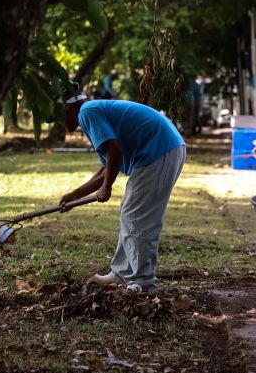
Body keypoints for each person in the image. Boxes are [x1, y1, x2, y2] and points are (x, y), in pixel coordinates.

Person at [57, 80, 186, 294]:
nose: (59, 123)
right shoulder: (93, 110)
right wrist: (75, 195)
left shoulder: (87, 112)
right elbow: (106, 168)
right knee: (131, 214)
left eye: (57, 117)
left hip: (159, 150)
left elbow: (114, 152)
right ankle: (122, 273)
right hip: (164, 148)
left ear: (67, 109)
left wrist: (107, 188)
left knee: (138, 218)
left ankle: (143, 282)